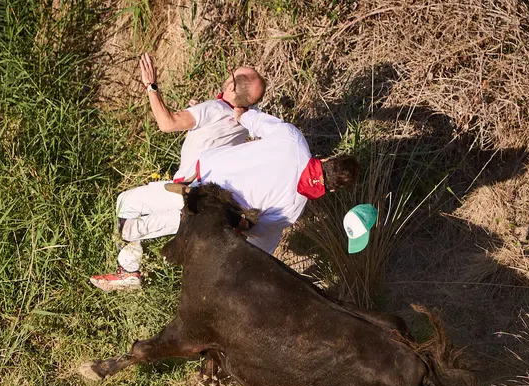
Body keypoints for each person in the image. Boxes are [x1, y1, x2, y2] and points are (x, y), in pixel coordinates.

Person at [89, 54, 266, 290]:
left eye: (231, 74)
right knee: (132, 211)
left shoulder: (213, 109)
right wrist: (200, 115)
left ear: (232, 86)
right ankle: (131, 268)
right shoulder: (244, 119)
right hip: (205, 198)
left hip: (187, 195)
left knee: (128, 209)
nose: (227, 76)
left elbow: (167, 123)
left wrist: (151, 86)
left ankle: (129, 271)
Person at [191, 108, 360, 253]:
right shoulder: (293, 210)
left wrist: (242, 115)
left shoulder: (294, 139)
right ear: (331, 190)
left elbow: (255, 121)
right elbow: (256, 230)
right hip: (209, 211)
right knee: (271, 238)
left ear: (326, 159)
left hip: (202, 167)